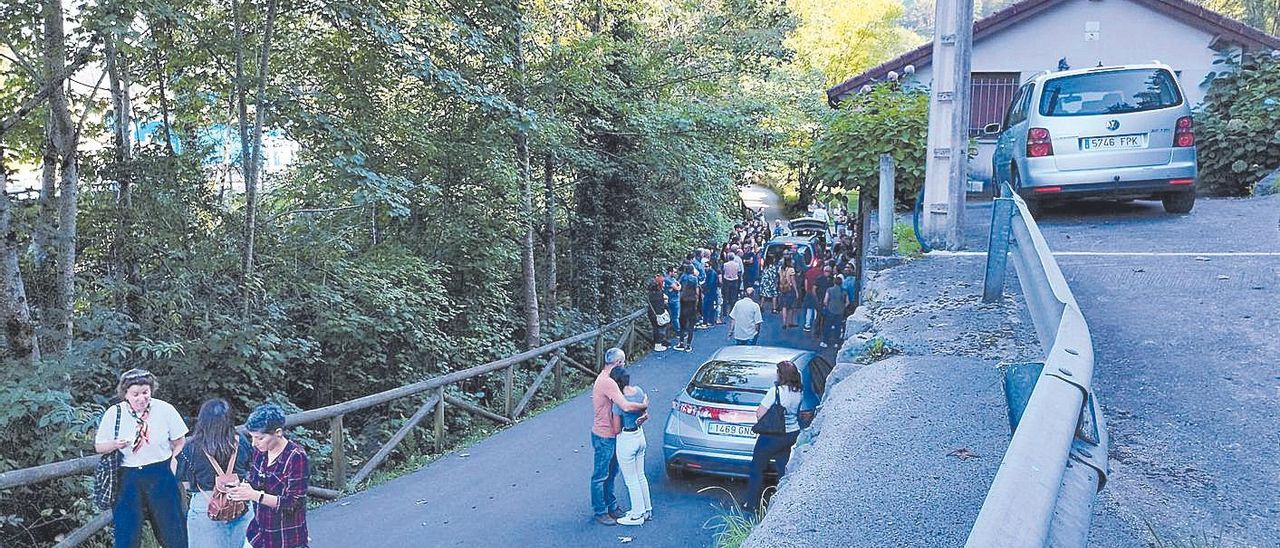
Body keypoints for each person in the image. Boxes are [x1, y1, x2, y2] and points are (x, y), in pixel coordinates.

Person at [94, 368, 189, 548]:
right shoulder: (114, 413)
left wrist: (174, 469)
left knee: (173, 531)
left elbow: (180, 442)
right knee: (126, 534)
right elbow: (99, 447)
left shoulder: (164, 409)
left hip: (161, 473)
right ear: (125, 394)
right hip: (127, 477)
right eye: (135, 394)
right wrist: (116, 444)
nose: (141, 398)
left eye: (145, 393)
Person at [228, 403, 310, 548]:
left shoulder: (296, 456)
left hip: (286, 537)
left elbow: (293, 503)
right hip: (258, 534)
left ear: (278, 432)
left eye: (259, 438)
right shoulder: (261, 452)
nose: (254, 443)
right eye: (252, 437)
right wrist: (240, 489)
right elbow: (254, 483)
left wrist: (255, 495)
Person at [178, 398, 255, 547]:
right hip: (240, 501)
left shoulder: (191, 448)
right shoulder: (242, 441)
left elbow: (186, 484)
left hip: (206, 505)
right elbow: (249, 470)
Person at [588, 348, 649, 525]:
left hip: (611, 433)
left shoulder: (606, 378)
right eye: (623, 362)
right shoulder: (608, 382)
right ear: (618, 363)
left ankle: (611, 505)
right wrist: (643, 405)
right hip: (604, 434)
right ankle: (600, 511)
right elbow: (626, 406)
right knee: (601, 475)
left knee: (612, 472)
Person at [744, 361, 806, 513]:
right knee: (782, 468)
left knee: (757, 468)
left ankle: (751, 503)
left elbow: (760, 413)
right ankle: (782, 503)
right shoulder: (799, 391)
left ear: (781, 374)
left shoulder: (776, 391)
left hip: (772, 436)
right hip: (791, 433)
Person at [609, 367, 653, 526]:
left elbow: (616, 428)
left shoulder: (619, 401)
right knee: (640, 475)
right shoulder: (639, 391)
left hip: (627, 438)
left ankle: (637, 514)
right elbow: (644, 411)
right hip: (640, 435)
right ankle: (647, 509)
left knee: (631, 479)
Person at [677, 264, 701, 351]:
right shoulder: (694, 279)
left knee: (682, 323)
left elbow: (678, 285)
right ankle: (688, 345)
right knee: (691, 324)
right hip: (692, 301)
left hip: (683, 301)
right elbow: (697, 290)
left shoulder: (683, 277)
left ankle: (681, 342)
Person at [822, 274, 850, 348]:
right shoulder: (844, 291)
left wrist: (828, 306)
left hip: (830, 310)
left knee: (828, 326)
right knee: (838, 327)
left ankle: (825, 341)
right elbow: (847, 302)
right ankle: (836, 343)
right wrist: (843, 307)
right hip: (840, 311)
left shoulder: (829, 290)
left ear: (834, 282)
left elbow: (825, 300)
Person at [646, 275, 670, 352]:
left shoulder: (649, 295)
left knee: (655, 329)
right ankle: (658, 345)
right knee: (660, 329)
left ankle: (658, 343)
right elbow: (662, 304)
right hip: (659, 314)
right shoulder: (659, 294)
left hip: (651, 314)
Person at [777, 257, 798, 329]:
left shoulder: (780, 269)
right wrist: (796, 291)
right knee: (791, 306)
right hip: (789, 288)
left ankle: (784, 323)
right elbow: (793, 280)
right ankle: (790, 322)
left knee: (784, 306)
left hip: (782, 288)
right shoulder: (791, 270)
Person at [721, 252, 742, 321]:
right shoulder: (737, 265)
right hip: (734, 281)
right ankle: (732, 312)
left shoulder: (725, 264)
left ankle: (724, 312)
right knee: (733, 297)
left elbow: (723, 271)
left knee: (725, 297)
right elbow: (739, 272)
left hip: (727, 281)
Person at [700, 257, 720, 329]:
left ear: (710, 266)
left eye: (706, 267)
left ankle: (708, 322)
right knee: (709, 307)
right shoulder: (709, 273)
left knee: (707, 307)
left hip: (710, 293)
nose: (705, 268)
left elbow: (710, 284)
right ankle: (709, 321)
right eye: (704, 267)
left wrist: (703, 287)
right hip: (710, 292)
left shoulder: (712, 273)